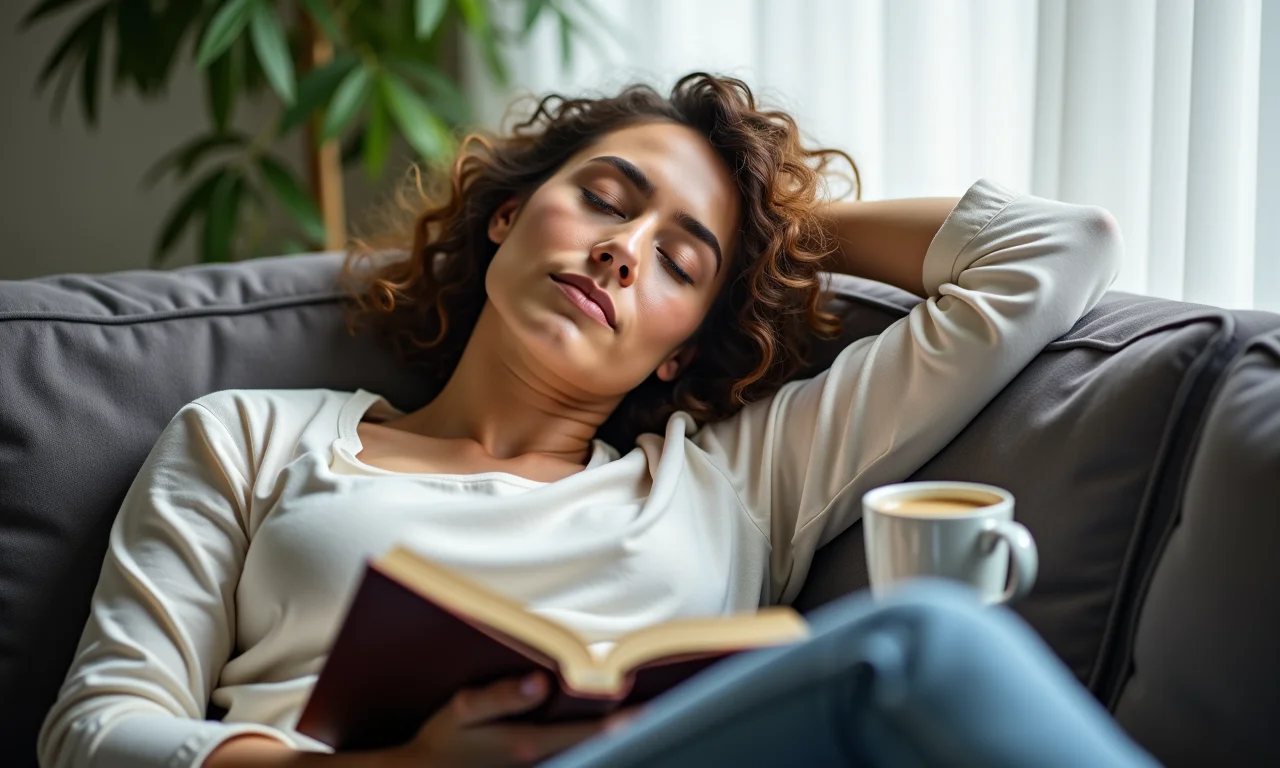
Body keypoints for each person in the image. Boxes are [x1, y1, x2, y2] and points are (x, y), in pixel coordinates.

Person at [37, 73, 1157, 767]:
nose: (624, 249)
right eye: (606, 201)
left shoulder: (734, 482)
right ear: (510, 216)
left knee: (934, 644)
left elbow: (1057, 249)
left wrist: (767, 224)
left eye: (675, 262)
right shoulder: (245, 436)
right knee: (929, 644)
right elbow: (93, 736)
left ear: (682, 342)